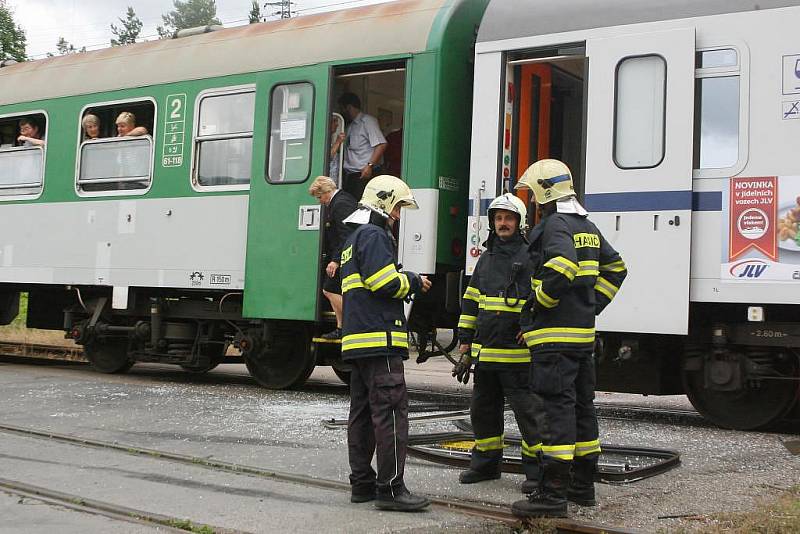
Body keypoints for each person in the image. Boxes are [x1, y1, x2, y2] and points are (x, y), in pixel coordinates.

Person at [510, 159, 627, 519]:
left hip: (554, 340)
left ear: (543, 193)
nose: (531, 201)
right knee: (581, 407)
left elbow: (562, 266)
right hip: (580, 337)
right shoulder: (586, 225)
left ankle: (552, 494)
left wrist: (539, 304)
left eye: (532, 194)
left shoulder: (554, 224)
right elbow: (617, 267)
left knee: (553, 410)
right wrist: (591, 308)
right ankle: (582, 487)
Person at [339, 174, 432, 511]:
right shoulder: (375, 235)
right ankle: (392, 489)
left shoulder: (352, 239)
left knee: (361, 414)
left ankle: (362, 484)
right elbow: (384, 283)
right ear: (383, 203)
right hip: (381, 340)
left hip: (359, 343)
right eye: (397, 208)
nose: (398, 216)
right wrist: (412, 280)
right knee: (391, 413)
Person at [452, 193, 543, 493]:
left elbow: (543, 298)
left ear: (519, 222)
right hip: (487, 354)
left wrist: (532, 327)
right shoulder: (486, 258)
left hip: (518, 356)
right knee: (483, 412)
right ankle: (486, 465)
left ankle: (536, 472)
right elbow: (471, 301)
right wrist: (465, 343)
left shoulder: (532, 256)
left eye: (508, 218)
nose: (503, 223)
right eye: (498, 219)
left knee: (529, 415)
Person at [308, 175, 357, 339]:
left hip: (344, 256)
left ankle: (352, 325)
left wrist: (336, 260)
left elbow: (346, 235)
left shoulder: (340, 204)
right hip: (345, 254)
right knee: (332, 290)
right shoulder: (343, 200)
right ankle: (342, 327)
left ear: (326, 191)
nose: (319, 201)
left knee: (329, 289)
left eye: (319, 197)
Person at [338, 92, 387, 201]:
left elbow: (381, 144)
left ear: (349, 107)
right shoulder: (350, 126)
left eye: (342, 109)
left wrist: (369, 165)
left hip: (365, 175)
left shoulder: (368, 121)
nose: (341, 112)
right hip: (351, 177)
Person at [329, 116, 346, 184]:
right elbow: (328, 157)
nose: (337, 124)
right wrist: (338, 142)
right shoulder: (321, 138)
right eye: (334, 121)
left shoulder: (330, 138)